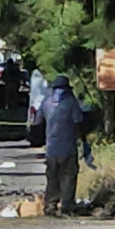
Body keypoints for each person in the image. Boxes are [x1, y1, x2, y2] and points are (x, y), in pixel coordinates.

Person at [33, 76, 93, 216]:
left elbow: (36, 123)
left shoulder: (46, 103)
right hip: (68, 148)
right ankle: (67, 207)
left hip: (51, 149)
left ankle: (50, 206)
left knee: (52, 178)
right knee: (68, 177)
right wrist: (84, 141)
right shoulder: (71, 103)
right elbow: (78, 123)